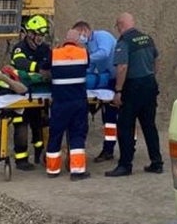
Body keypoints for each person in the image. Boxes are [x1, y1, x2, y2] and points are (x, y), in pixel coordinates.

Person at [105, 12, 163, 177]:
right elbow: (157, 59)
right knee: (149, 125)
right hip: (150, 85)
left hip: (133, 88)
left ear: (120, 25)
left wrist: (118, 90)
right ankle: (156, 162)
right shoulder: (147, 38)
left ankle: (125, 165)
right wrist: (151, 74)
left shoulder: (124, 42)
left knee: (125, 127)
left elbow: (122, 67)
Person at [44, 29, 91, 180]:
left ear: (65, 39)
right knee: (77, 135)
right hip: (78, 102)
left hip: (60, 102)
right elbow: (87, 68)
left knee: (55, 134)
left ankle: (52, 170)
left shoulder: (54, 53)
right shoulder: (84, 53)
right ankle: (77, 171)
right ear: (77, 40)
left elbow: (44, 70)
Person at [10, 14, 52, 171]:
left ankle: (39, 153)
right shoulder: (20, 47)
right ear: (30, 34)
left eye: (42, 35)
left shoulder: (45, 49)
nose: (40, 38)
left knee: (40, 123)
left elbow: (50, 62)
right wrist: (38, 68)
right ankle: (21, 160)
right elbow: (20, 62)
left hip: (39, 94)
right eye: (38, 35)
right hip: (20, 94)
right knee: (20, 124)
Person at [73, 20, 118, 162]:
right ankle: (108, 150)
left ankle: (110, 149)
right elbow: (91, 65)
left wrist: (84, 58)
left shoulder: (102, 36)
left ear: (85, 31)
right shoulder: (88, 44)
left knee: (113, 117)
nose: (79, 39)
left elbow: (104, 54)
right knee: (108, 118)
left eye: (79, 35)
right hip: (109, 79)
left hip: (118, 79)